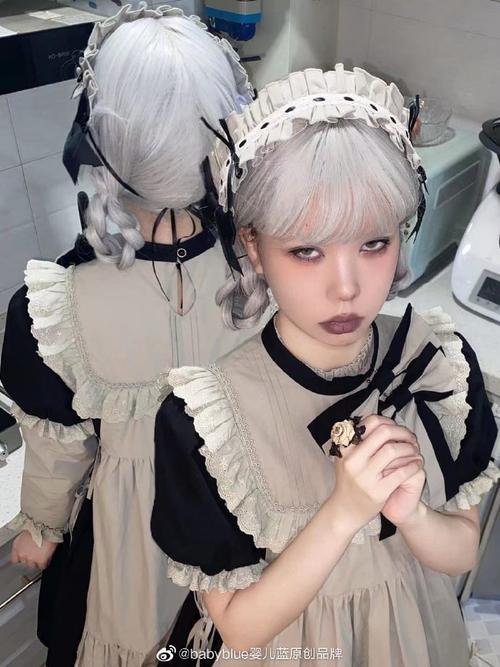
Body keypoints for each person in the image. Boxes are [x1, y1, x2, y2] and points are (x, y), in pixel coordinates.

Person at [151, 64, 500, 666]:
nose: (347, 288)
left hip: (415, 634)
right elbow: (239, 629)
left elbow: (464, 549)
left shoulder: (437, 364)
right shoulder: (204, 422)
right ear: (254, 246)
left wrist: (412, 514)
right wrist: (344, 514)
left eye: (373, 243)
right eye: (306, 250)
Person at [0, 4, 264, 666]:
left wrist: (41, 528)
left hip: (132, 533)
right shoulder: (262, 267)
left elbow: (59, 449)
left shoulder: (56, 306)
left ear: (98, 139)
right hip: (241, 516)